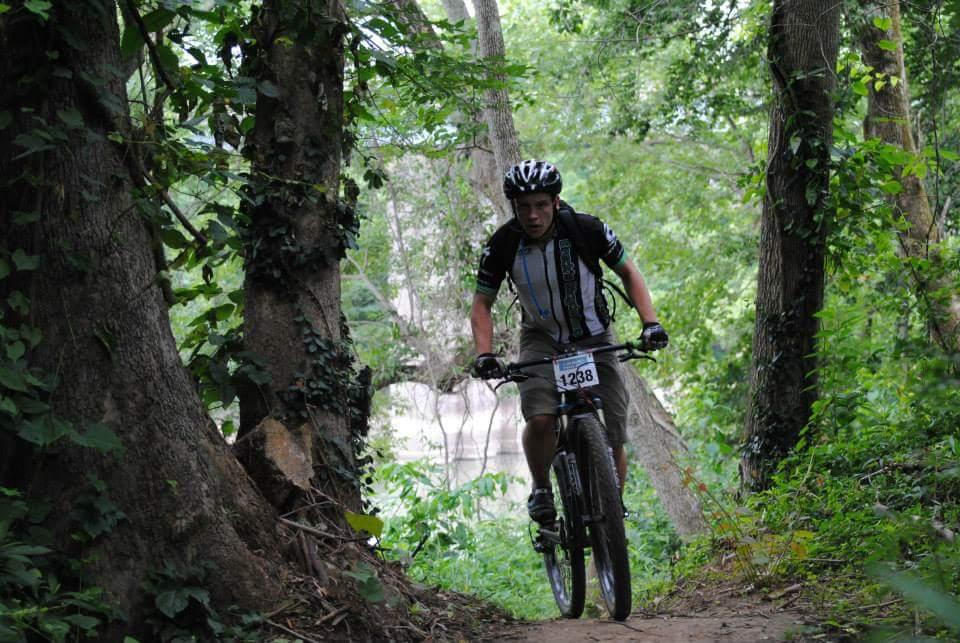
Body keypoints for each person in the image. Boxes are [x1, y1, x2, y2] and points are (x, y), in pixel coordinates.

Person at [470, 159, 669, 524]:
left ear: (556, 202)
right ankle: (542, 488)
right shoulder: (504, 243)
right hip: (540, 339)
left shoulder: (586, 229)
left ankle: (612, 507)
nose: (533, 215)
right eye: (524, 207)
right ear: (514, 208)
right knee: (542, 418)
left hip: (593, 334)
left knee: (613, 432)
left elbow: (628, 272)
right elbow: (482, 303)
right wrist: (484, 353)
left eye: (541, 205)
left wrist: (650, 323)